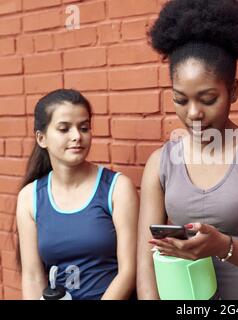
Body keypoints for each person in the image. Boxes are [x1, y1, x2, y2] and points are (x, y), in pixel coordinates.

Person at [137, 0, 238, 300]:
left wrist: (223, 246)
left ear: (233, 91)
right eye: (180, 100)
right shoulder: (160, 163)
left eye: (208, 99)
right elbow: (146, 264)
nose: (193, 113)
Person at [16, 89, 138, 300]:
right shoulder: (30, 197)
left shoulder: (117, 188)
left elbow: (129, 270)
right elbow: (33, 276)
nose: (77, 137)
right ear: (41, 138)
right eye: (64, 129)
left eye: (84, 128)